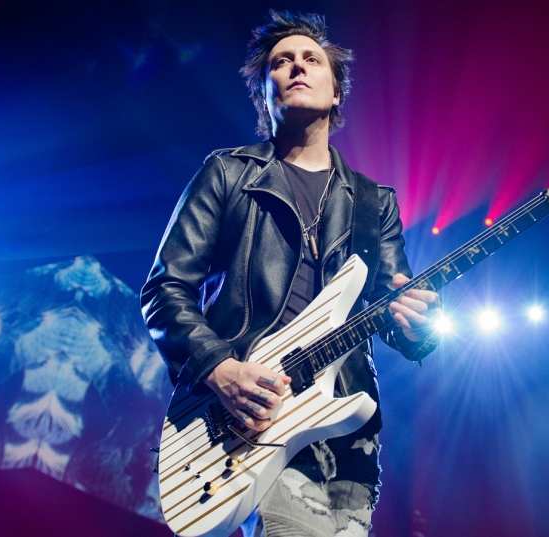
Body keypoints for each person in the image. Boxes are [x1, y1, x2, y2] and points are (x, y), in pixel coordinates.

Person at [140, 10, 441, 537]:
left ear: (337, 91)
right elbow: (165, 290)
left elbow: (397, 315)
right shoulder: (229, 173)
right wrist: (220, 368)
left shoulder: (373, 203)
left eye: (311, 59)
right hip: (252, 413)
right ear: (265, 93)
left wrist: (420, 324)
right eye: (281, 62)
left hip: (346, 433)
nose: (297, 66)